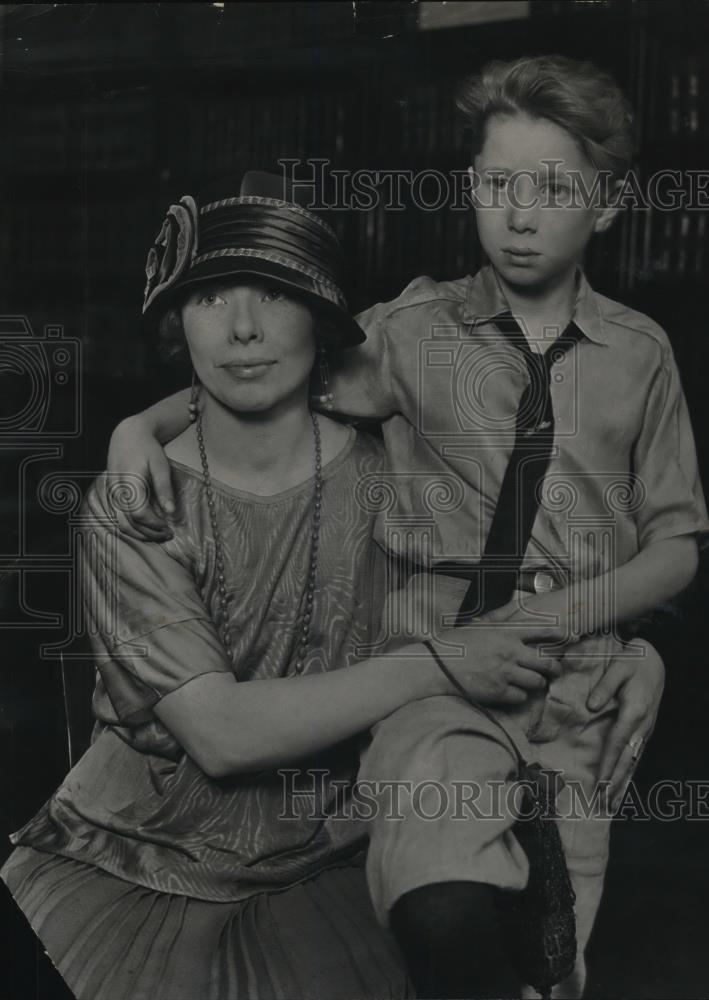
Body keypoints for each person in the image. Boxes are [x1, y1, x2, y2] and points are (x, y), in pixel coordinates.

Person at [101, 57, 702, 998]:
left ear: (610, 205)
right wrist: (140, 426)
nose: (519, 212)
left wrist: (571, 619)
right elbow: (265, 375)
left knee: (547, 967)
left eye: (554, 189)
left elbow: (676, 544)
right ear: (470, 189)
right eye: (498, 184)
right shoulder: (413, 330)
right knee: (438, 902)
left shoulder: (640, 355)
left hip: (577, 690)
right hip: (436, 675)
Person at [1, 172, 570, 1000]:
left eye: (272, 294)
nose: (240, 329)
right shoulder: (137, 499)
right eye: (207, 299)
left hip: (336, 836)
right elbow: (222, 736)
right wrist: (442, 662)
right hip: (138, 852)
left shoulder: (398, 475)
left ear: (326, 320)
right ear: (175, 326)